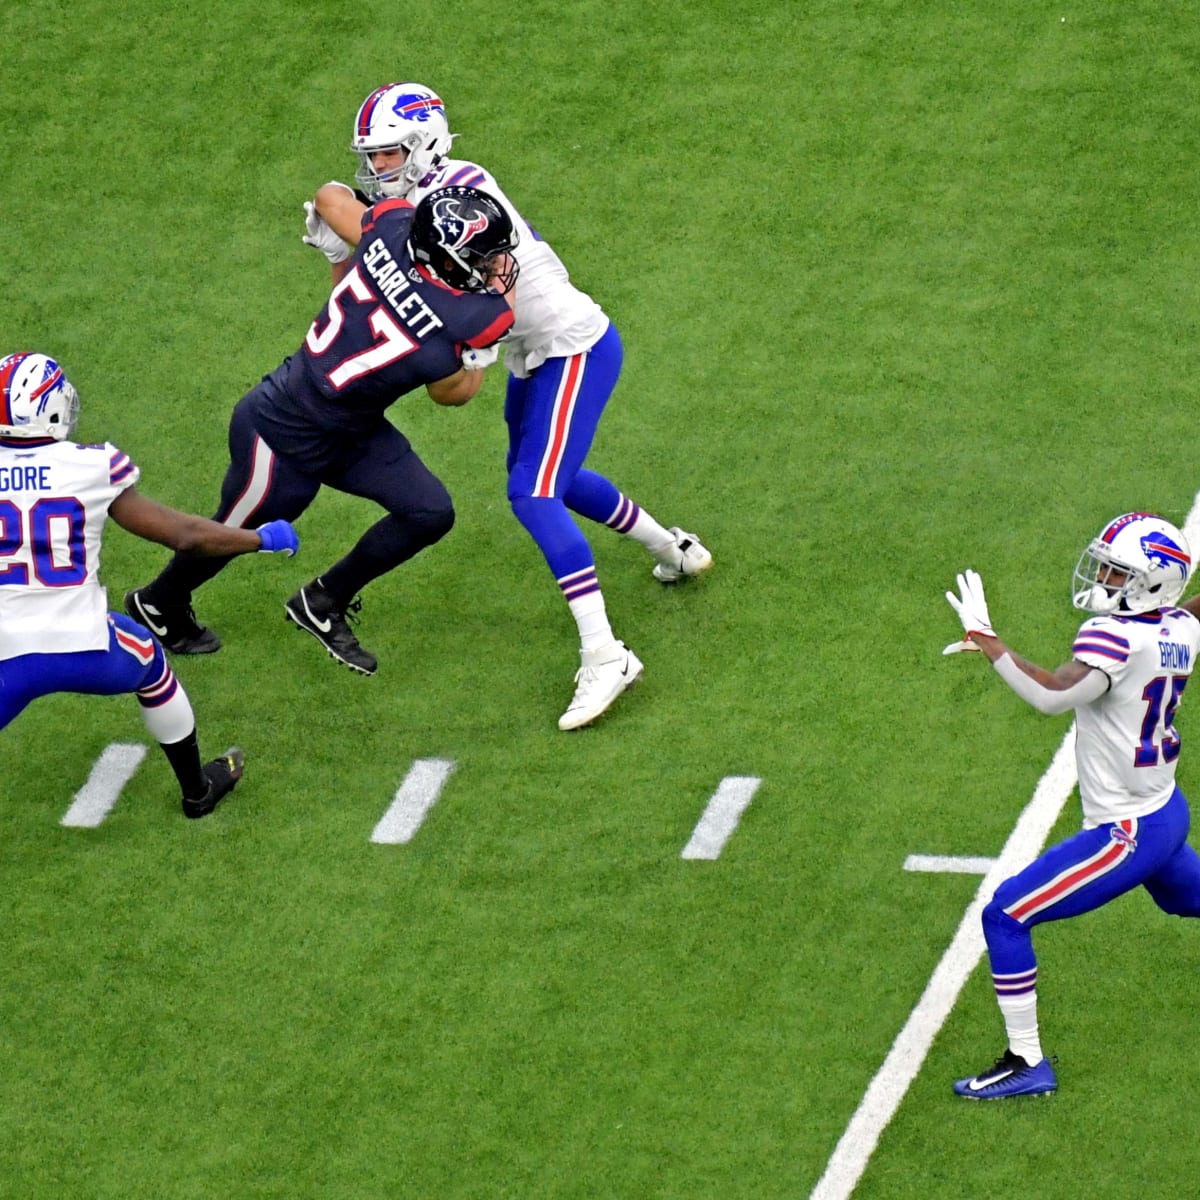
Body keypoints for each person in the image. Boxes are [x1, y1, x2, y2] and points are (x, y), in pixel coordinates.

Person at [301, 82, 713, 730]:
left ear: (421, 143)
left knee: (532, 492)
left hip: (570, 347)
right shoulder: (437, 199)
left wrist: (345, 237)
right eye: (372, 155)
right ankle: (675, 549)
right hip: (535, 354)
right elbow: (340, 206)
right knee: (554, 475)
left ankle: (606, 656)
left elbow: (338, 206)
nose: (375, 168)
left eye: (386, 154)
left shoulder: (449, 205)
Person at [126, 184, 518, 676]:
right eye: (484, 259)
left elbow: (332, 197)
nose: (494, 267)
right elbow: (454, 394)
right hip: (280, 434)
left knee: (429, 512)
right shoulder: (466, 319)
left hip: (349, 427)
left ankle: (323, 600)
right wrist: (481, 355)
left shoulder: (392, 229)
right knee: (225, 534)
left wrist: (339, 251)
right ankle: (158, 602)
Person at [943, 511, 1200, 1099]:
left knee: (1005, 914)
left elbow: (1050, 696)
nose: (1106, 579)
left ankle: (1027, 1063)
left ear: (1153, 582)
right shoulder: (1182, 627)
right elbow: (1187, 611)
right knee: (1191, 900)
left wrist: (986, 638)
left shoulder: (1115, 638)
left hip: (1126, 831)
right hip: (1165, 810)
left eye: (1119, 572)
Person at [0, 352, 300, 817]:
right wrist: (260, 537)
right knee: (152, 665)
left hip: (5, 655)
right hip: (86, 645)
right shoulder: (92, 465)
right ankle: (197, 790)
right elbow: (186, 535)